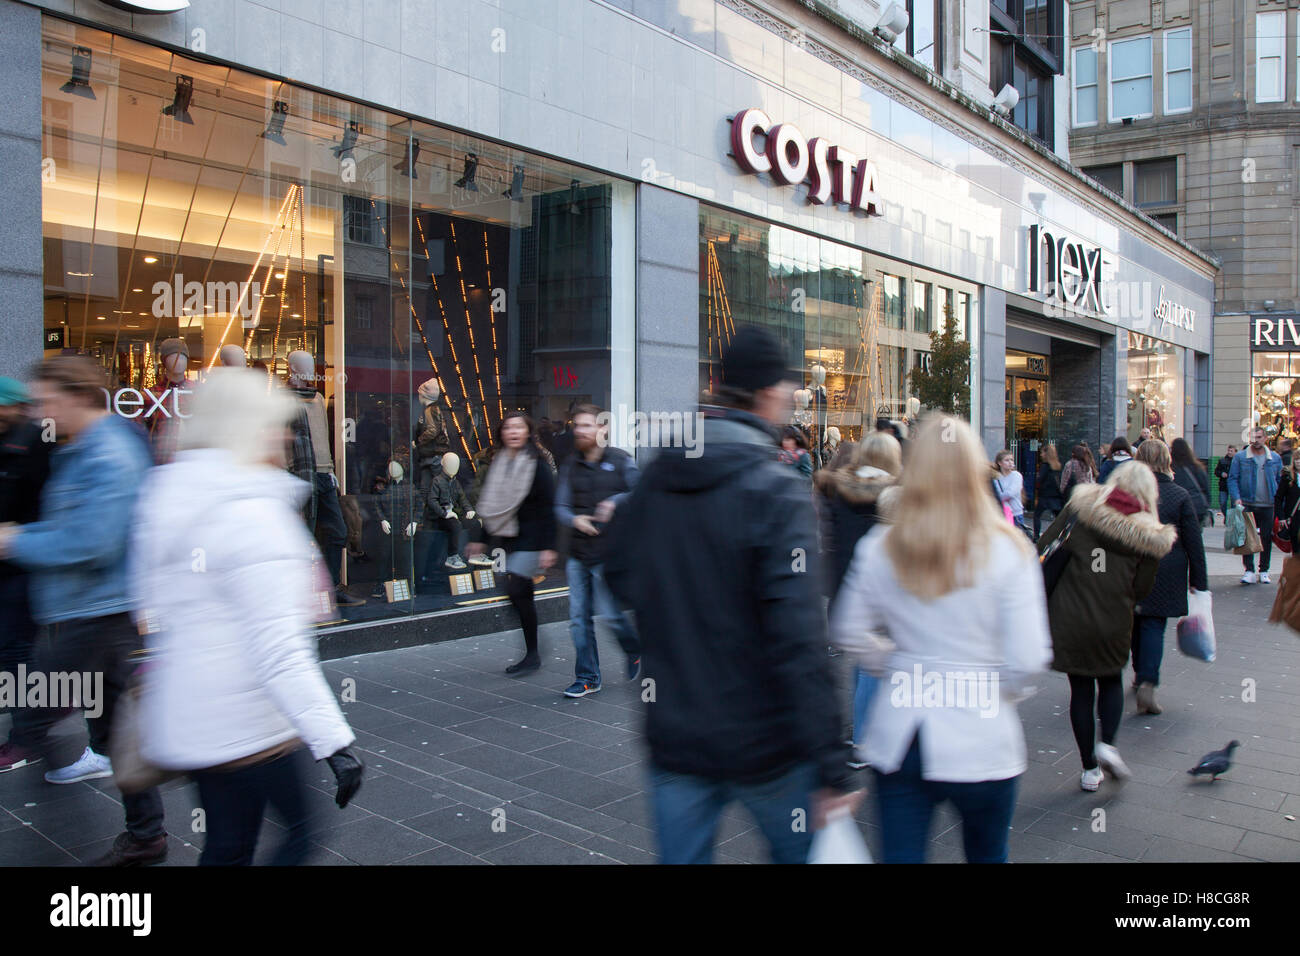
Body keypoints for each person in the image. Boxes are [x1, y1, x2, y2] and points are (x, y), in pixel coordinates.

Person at [604, 326, 861, 864]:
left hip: (675, 735)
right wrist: (832, 764)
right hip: (765, 746)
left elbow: (620, 579)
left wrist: (651, 644)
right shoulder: (776, 491)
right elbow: (799, 641)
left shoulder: (657, 478)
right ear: (768, 393)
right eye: (789, 389)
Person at [130, 369, 364, 865]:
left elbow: (150, 606)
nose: (282, 438)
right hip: (251, 723)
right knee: (300, 830)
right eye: (272, 426)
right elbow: (279, 651)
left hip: (193, 720)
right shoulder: (254, 515)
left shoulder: (168, 496)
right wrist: (335, 742)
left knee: (227, 845)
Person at [831, 415, 1051, 863]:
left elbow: (847, 629)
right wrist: (998, 685)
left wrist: (893, 663)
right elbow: (1029, 658)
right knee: (988, 854)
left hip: (902, 734)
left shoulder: (882, 544)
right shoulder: (1010, 551)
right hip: (984, 735)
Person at [0, 355, 167, 866]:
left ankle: (154, 825)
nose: (43, 411)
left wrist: (15, 540)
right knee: (112, 729)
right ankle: (148, 833)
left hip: (98, 613)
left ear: (76, 396)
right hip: (86, 611)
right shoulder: (81, 448)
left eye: (50, 400)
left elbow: (92, 540)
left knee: (34, 712)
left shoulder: (108, 452)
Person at [1039, 462, 1172, 791]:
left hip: (1070, 615)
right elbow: (1142, 589)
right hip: (1114, 618)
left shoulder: (1081, 508)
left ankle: (1089, 769)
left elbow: (1045, 545)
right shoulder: (1148, 536)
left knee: (1080, 690)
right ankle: (1108, 745)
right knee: (1111, 679)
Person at [814, 430, 901, 769]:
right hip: (882, 584)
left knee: (864, 657)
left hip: (845, 578)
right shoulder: (894, 494)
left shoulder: (839, 488)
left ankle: (858, 729)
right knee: (873, 661)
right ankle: (864, 736)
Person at [553, 404, 641, 698]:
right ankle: (588, 677)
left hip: (610, 551)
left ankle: (634, 649)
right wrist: (574, 519)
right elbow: (561, 507)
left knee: (610, 615)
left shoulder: (620, 461)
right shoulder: (569, 465)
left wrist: (614, 502)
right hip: (578, 552)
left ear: (602, 428)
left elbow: (642, 493)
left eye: (587, 425)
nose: (580, 431)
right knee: (578, 619)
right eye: (577, 425)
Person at [468, 411, 557, 674]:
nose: (514, 432)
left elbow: (548, 507)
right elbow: (494, 505)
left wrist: (549, 547)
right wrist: (481, 541)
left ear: (528, 432)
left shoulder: (537, 464)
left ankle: (533, 653)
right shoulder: (499, 463)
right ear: (502, 434)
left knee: (517, 589)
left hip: (532, 536)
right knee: (518, 594)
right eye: (508, 428)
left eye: (519, 427)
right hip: (510, 536)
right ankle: (533, 649)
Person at [1130, 440, 1209, 716]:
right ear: (1167, 461)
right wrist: (1200, 582)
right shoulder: (1178, 495)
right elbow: (1193, 542)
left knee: (1134, 622)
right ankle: (1148, 681)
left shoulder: (1128, 494)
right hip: (1167, 570)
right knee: (1153, 625)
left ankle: (1139, 672)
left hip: (1130, 567)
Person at [286, 351, 364, 607]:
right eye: (304, 366)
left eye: (311, 366)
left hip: (323, 473)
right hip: (298, 474)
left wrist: (330, 470)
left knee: (338, 531)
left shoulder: (318, 398)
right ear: (293, 369)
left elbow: (322, 438)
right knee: (300, 534)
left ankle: (328, 589)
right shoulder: (283, 400)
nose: (310, 370)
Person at [0, 378, 51, 697]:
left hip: (22, 558)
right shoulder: (13, 440)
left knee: (15, 644)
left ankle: (30, 721)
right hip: (13, 556)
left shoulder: (34, 442)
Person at [1227, 427, 1283, 584]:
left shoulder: (1275, 458)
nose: (1256, 440)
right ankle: (1249, 570)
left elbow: (1279, 480)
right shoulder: (1241, 457)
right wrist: (1236, 498)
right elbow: (1232, 479)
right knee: (1247, 538)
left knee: (1266, 537)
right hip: (1248, 502)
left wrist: (1279, 501)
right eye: (1253, 437)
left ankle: (1264, 570)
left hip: (1268, 503)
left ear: (1265, 438)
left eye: (1259, 437)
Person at [1170, 437, 1211, 527]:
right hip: (1197, 508)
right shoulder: (1197, 467)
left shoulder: (1171, 469)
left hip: (1178, 509)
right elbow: (1206, 489)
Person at [1033, 444, 1064, 539]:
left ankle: (1036, 536)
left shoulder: (1045, 466)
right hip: (1056, 497)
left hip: (1045, 496)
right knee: (1059, 518)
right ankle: (1060, 535)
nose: (1041, 455)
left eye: (1042, 452)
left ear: (1046, 454)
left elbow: (1040, 480)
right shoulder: (1058, 466)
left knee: (1037, 516)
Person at [993, 448, 1027, 533]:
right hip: (1001, 514)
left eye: (1011, 460)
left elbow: (1011, 493)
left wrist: (999, 497)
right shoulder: (996, 478)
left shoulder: (1016, 476)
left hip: (1015, 514)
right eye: (1007, 460)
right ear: (1000, 463)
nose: (1010, 462)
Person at [1275, 452, 1300, 550]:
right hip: (1293, 518)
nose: (1298, 462)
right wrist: (1281, 517)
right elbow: (1278, 498)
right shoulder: (1287, 477)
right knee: (1296, 549)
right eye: (1296, 459)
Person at [1214, 445, 1236, 516]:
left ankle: (1231, 519)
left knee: (1234, 504)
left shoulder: (1237, 461)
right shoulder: (1222, 461)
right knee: (1222, 502)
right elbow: (1216, 471)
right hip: (1223, 485)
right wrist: (1221, 474)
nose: (1229, 452)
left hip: (1233, 486)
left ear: (1235, 452)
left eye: (1231, 451)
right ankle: (1226, 516)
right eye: (1228, 450)